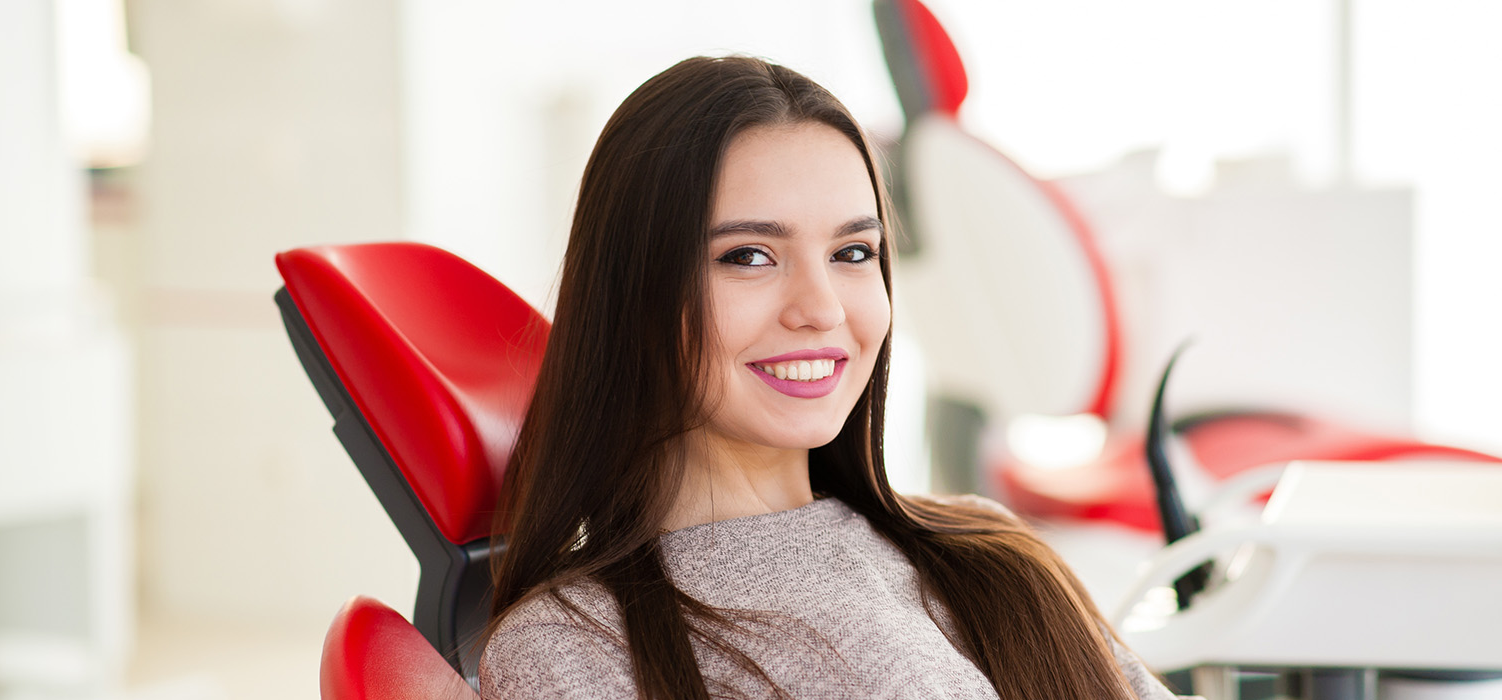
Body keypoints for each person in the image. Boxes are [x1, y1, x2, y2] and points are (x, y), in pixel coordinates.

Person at [478, 55, 1179, 700]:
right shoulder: (573, 647)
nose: (821, 309)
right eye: (749, 256)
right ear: (632, 294)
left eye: (852, 251)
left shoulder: (991, 551)